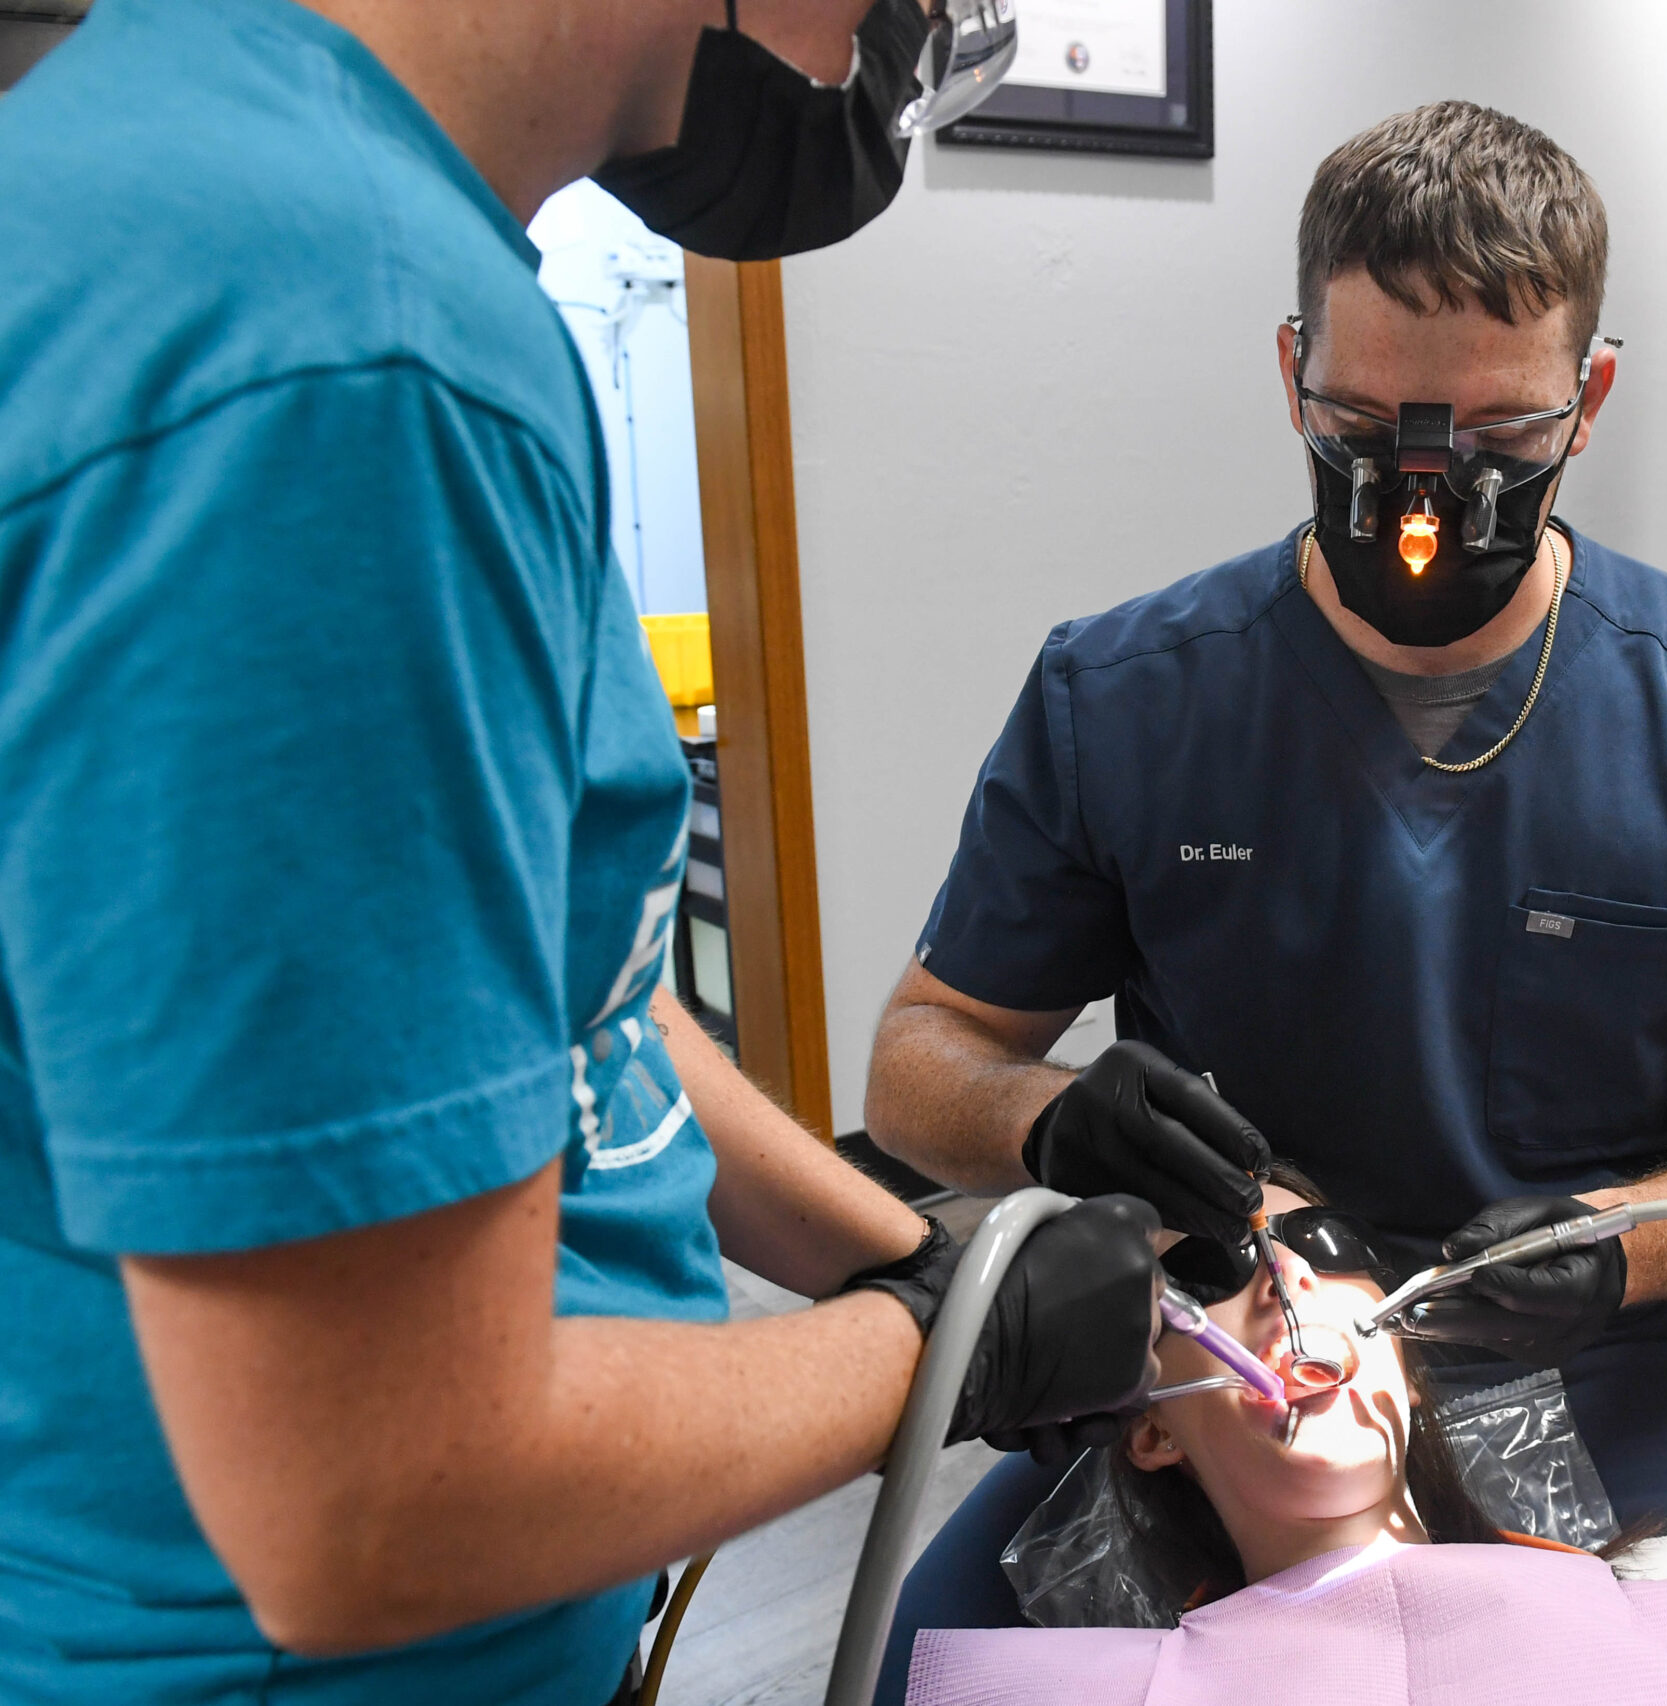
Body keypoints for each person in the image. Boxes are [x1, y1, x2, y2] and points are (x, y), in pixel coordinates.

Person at [0, 3, 1175, 1702]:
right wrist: (943, 1352)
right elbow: (379, 1494)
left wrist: (907, 1252)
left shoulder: (249, 189)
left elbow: (558, 989)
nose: (885, 36)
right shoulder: (341, 352)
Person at [865, 101, 1667, 1706]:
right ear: (1288, 374)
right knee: (927, 1667)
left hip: (1608, 1363)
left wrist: (1620, 1244)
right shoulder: (1125, 698)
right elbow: (918, 1061)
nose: (1422, 494)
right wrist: (1049, 1120)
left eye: (1494, 441)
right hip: (1228, 1371)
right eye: (1370, 420)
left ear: (1589, 398)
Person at [906, 1177, 1667, 1706]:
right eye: (1211, 1269)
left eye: (1321, 1245)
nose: (1282, 1280)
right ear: (1150, 1430)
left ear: (1403, 1357)